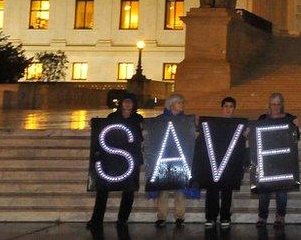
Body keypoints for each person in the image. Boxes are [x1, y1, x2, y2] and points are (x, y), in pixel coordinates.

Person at [86, 93, 143, 229]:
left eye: (130, 102)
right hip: (112, 157)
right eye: (125, 101)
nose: (128, 104)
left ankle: (122, 219)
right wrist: (94, 124)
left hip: (130, 159)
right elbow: (102, 130)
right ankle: (96, 219)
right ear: (121, 103)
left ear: (134, 104)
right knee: (103, 189)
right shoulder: (112, 118)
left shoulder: (138, 119)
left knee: (128, 190)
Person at [150, 92, 199, 228]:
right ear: (171, 104)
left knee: (180, 188)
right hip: (164, 156)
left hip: (181, 156)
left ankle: (180, 216)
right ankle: (161, 216)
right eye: (179, 103)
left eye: (182, 103)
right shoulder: (160, 120)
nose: (182, 105)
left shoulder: (187, 121)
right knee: (163, 189)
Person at [255, 92, 298, 228]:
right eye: (273, 104)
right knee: (264, 191)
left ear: (282, 105)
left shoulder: (290, 118)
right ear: (269, 105)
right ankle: (262, 217)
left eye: (278, 104)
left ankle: (280, 216)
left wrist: (296, 128)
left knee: (282, 191)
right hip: (266, 160)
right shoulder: (262, 118)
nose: (275, 107)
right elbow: (256, 137)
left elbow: (295, 138)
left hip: (283, 160)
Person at [204, 96, 239, 229]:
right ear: (222, 108)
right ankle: (210, 217)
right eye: (226, 106)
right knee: (212, 190)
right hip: (214, 161)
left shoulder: (238, 124)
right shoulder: (213, 123)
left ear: (234, 109)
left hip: (229, 162)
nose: (228, 109)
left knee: (227, 190)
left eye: (231, 106)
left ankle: (225, 216)